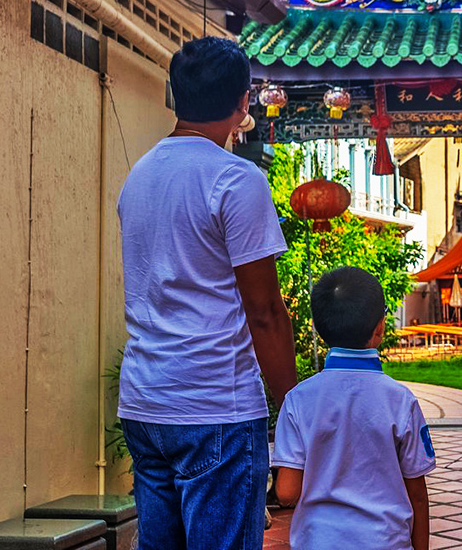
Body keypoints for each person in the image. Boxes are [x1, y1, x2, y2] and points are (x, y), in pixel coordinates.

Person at [117, 36, 297, 550]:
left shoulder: (141, 173)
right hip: (215, 404)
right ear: (243, 104)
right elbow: (263, 311)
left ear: (175, 95)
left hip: (146, 402)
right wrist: (291, 404)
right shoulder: (235, 180)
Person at [274, 267, 436, 550]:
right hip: (385, 541)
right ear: (380, 326)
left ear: (318, 327)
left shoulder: (297, 400)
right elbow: (417, 494)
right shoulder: (400, 399)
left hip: (318, 542)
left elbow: (286, 491)